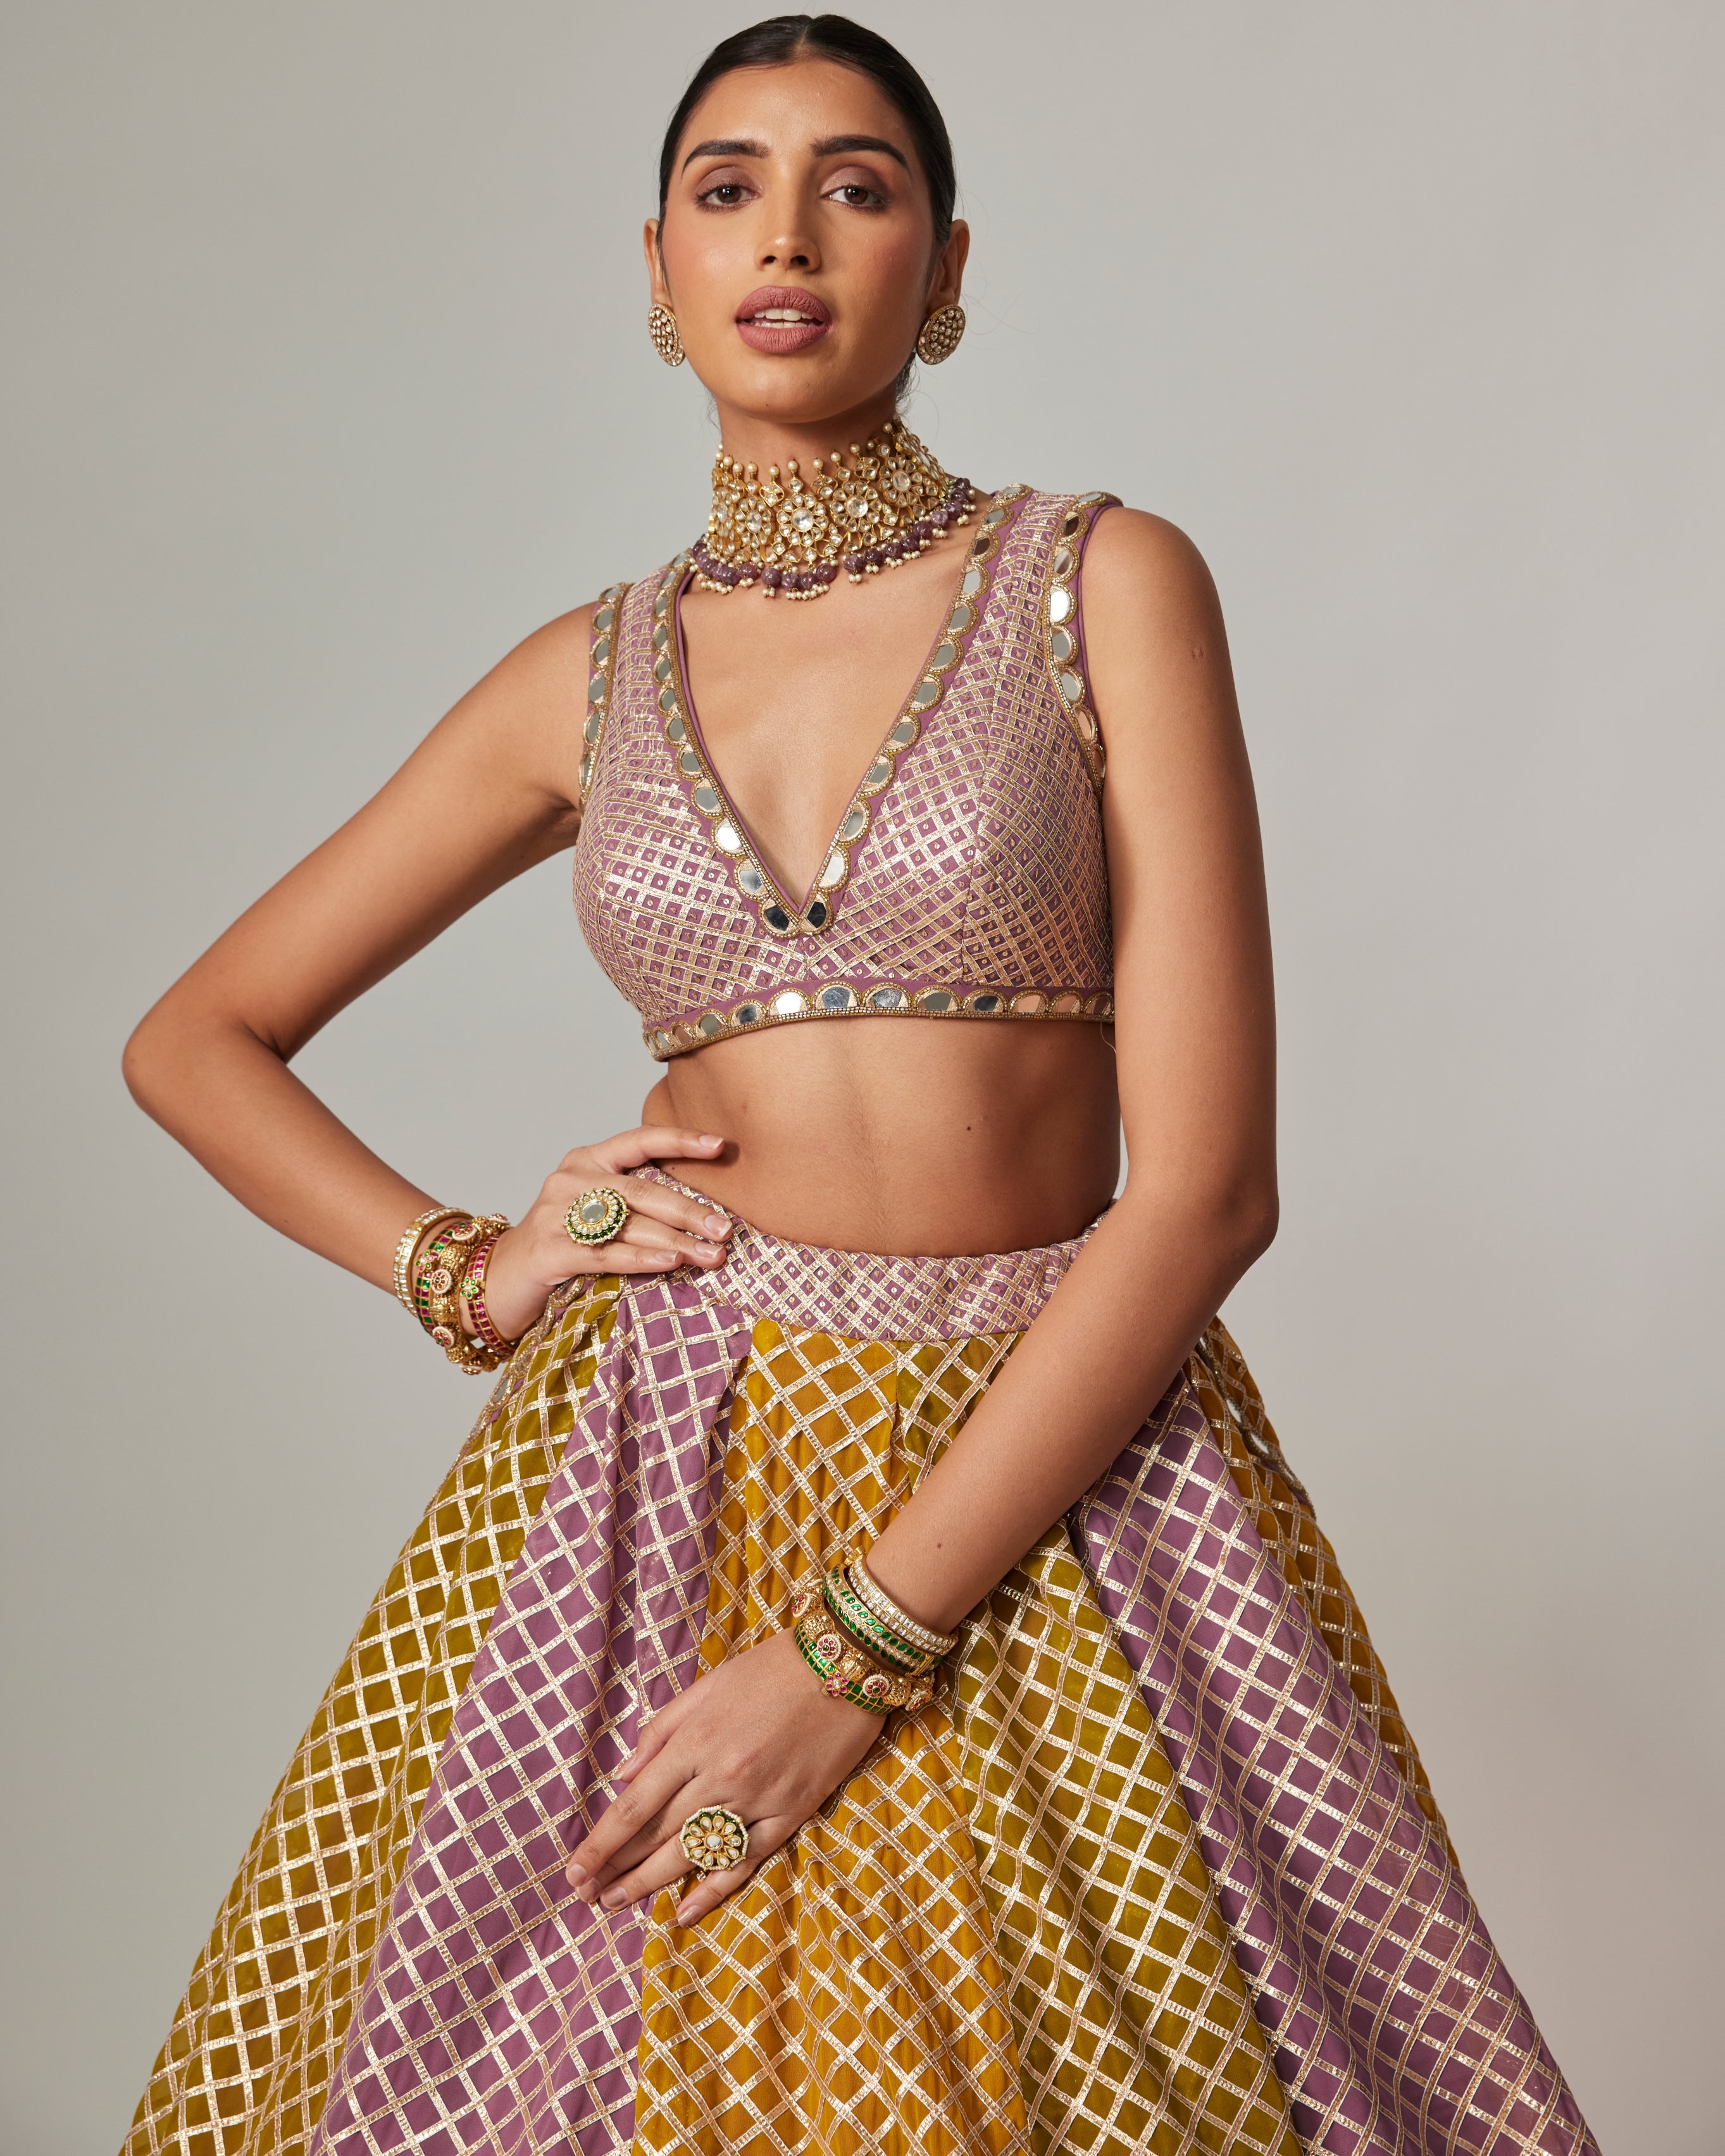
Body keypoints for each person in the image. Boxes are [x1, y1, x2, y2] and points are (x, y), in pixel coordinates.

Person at [119, 16, 1597, 2155]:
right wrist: (472, 1266)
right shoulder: (584, 676)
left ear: (949, 264)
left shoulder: (1100, 581)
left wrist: (846, 1659)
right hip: (656, 1476)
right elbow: (195, 1040)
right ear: (656, 267)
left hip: (1067, 1479)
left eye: (858, 185)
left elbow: (1205, 1196)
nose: (787, 235)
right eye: (727, 188)